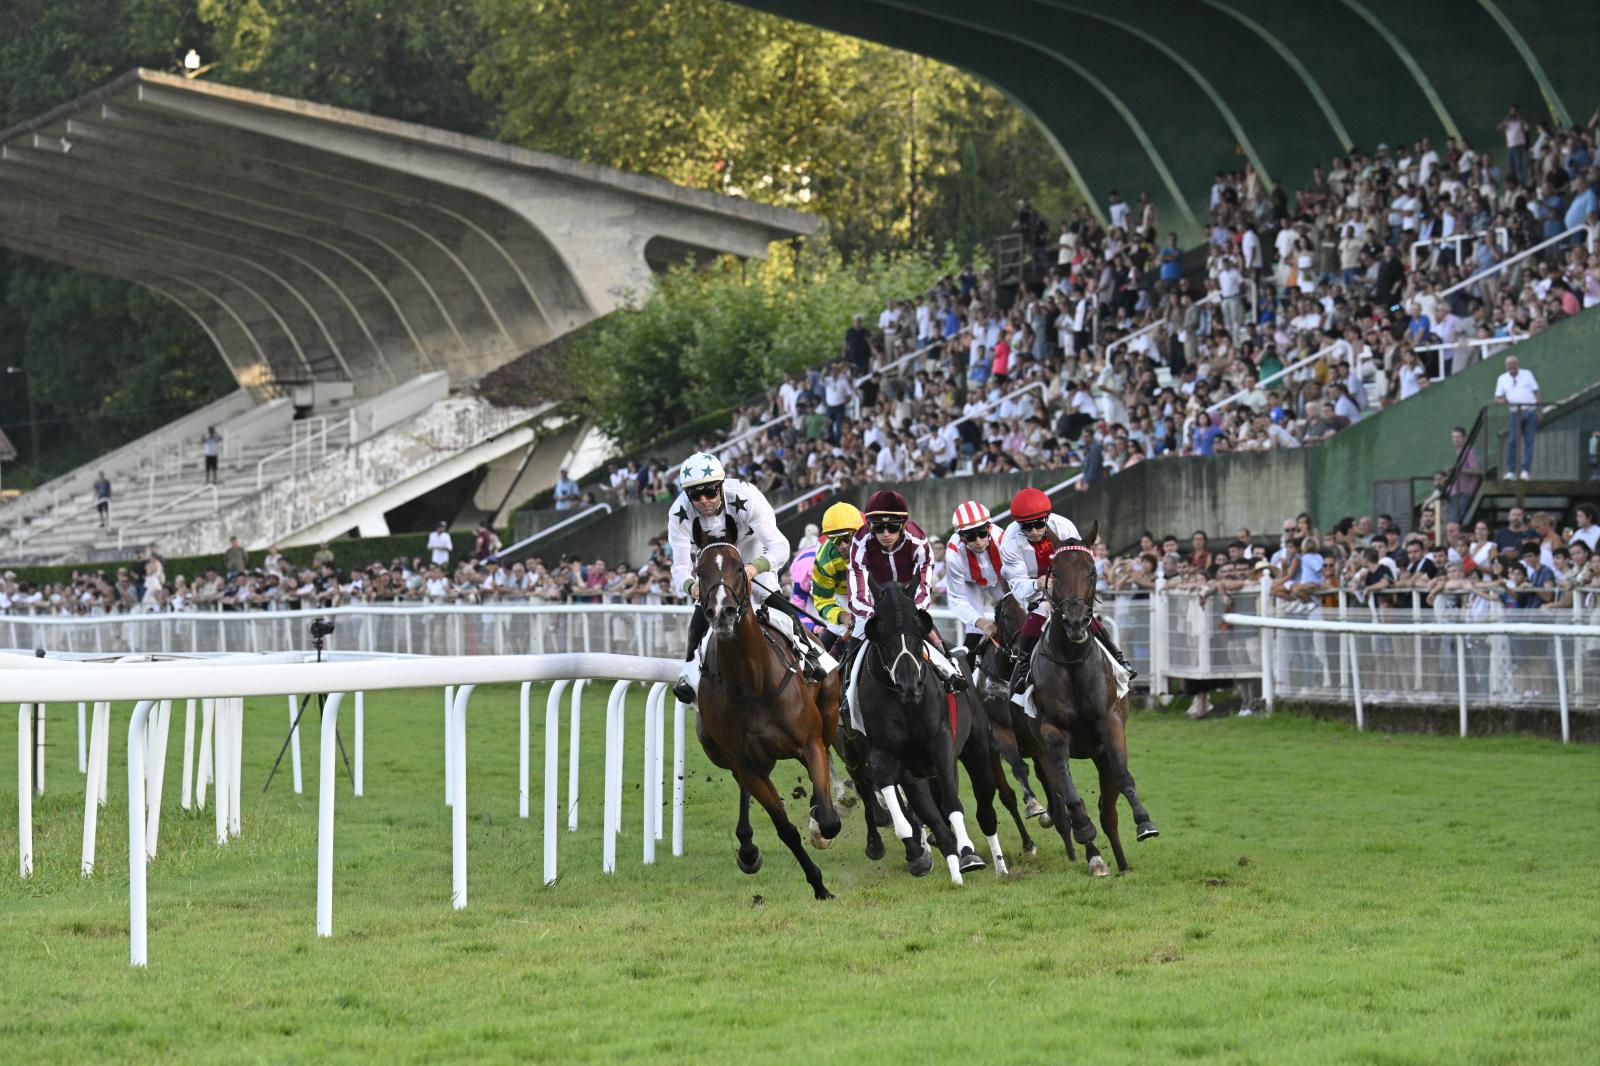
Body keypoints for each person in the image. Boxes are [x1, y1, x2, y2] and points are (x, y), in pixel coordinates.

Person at [668, 452, 834, 704]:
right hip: (713, 558)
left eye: (710, 492)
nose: (703, 501)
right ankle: (689, 672)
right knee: (702, 610)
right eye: (695, 495)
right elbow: (679, 566)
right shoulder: (678, 512)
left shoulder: (745, 496)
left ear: (721, 486)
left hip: (750, 549)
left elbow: (780, 546)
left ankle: (809, 653)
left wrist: (754, 569)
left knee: (767, 595)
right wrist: (692, 587)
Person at [999, 487, 1136, 706]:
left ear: (1047, 518)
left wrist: (1066, 588)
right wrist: (1038, 584)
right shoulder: (1009, 540)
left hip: (1064, 580)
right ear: (1018, 525)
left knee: (1080, 611)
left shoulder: (1064, 527)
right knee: (1041, 609)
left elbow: (1078, 562)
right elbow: (1017, 584)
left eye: (1038, 524)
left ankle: (1117, 657)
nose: (1034, 531)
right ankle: (1024, 667)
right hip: (1030, 584)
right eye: (1027, 527)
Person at [841, 489, 967, 696]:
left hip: (908, 596)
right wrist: (875, 614)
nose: (886, 534)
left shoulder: (918, 541)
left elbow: (924, 587)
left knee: (926, 629)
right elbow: (857, 594)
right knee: (855, 640)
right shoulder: (860, 542)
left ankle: (951, 669)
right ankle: (847, 690)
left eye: (892, 527)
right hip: (876, 600)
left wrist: (911, 611)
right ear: (869, 526)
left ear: (903, 525)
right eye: (878, 527)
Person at [943, 500, 1007, 658]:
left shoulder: (1003, 540)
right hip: (970, 582)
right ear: (962, 537)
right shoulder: (953, 553)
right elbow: (956, 598)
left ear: (989, 528)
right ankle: (968, 666)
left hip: (998, 578)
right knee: (975, 629)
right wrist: (981, 622)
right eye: (971, 537)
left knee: (1010, 613)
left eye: (982, 534)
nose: (978, 541)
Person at [810, 502, 864, 642]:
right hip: (843, 597)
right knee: (834, 636)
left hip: (872, 592)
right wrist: (842, 616)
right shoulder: (824, 560)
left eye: (847, 538)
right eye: (835, 540)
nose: (843, 546)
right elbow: (822, 600)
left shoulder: (874, 544)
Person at [1493, 355, 1540, 480]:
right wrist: (1503, 401)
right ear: (1506, 366)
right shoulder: (1502, 378)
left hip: (1530, 410)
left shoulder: (1527, 374)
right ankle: (1512, 470)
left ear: (1517, 364)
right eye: (1509, 364)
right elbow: (1497, 398)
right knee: (1512, 441)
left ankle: (1525, 471)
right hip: (1515, 412)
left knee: (1529, 441)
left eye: (1514, 363)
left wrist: (1539, 410)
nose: (1512, 366)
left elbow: (1536, 392)